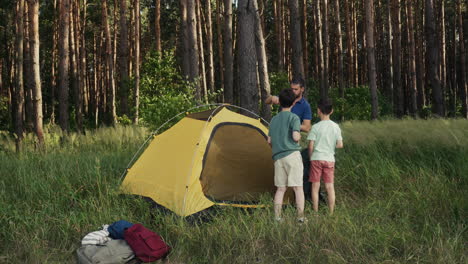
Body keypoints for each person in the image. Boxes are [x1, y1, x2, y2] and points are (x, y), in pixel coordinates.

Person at [268, 88, 306, 223]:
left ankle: (277, 218)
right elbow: (295, 137)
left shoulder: (273, 120)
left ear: (280, 102)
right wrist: (300, 135)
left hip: (278, 158)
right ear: (293, 103)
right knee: (297, 188)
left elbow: (269, 141)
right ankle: (300, 218)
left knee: (280, 189)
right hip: (292, 155)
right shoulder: (294, 118)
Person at [307, 98, 343, 214]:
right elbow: (340, 145)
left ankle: (315, 212)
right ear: (331, 111)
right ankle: (331, 213)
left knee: (315, 186)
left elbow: (310, 146)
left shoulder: (316, 127)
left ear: (318, 111)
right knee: (329, 187)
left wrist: (310, 157)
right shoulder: (335, 127)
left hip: (316, 158)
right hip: (329, 159)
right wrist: (330, 146)